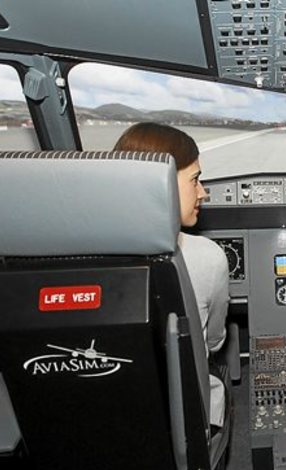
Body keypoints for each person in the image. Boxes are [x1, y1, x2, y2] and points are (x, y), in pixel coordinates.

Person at [114, 122, 229, 428]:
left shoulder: (69, 259)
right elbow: (214, 342)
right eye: (195, 180)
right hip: (187, 425)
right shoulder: (206, 256)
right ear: (159, 185)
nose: (203, 193)